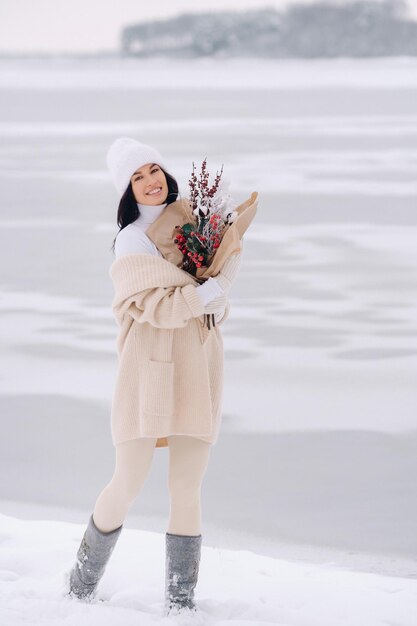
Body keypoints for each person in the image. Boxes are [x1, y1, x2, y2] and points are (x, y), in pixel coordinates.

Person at [66, 138, 243, 616]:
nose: (150, 181)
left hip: (197, 361)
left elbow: (209, 293)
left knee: (187, 485)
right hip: (147, 369)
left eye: (154, 169)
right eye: (137, 176)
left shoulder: (193, 220)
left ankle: (181, 601)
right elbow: (144, 307)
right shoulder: (130, 240)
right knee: (128, 479)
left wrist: (218, 297)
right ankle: (80, 582)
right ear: (126, 190)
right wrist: (201, 295)